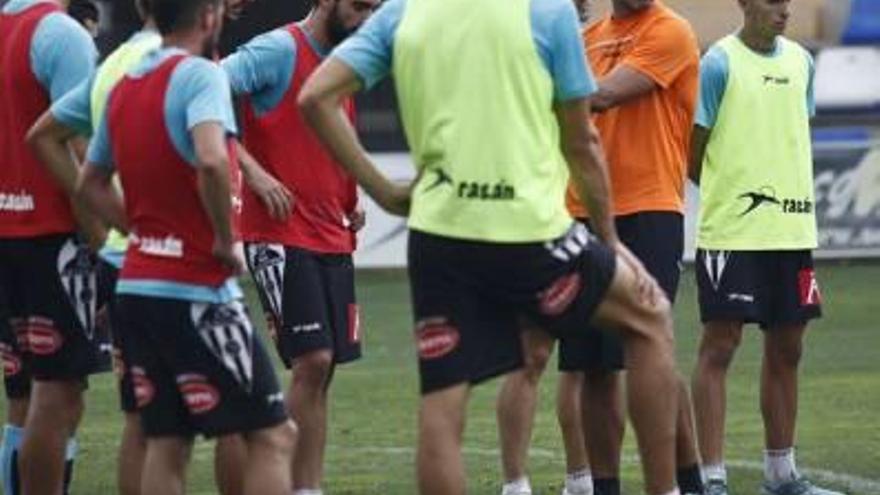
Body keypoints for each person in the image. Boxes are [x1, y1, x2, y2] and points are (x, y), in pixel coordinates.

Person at [300, 0, 684, 494]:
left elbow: (315, 97)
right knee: (649, 318)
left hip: (440, 236)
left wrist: (384, 190)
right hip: (530, 231)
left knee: (443, 400)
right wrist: (609, 242)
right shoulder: (548, 13)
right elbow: (581, 142)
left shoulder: (402, 13)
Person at [27, 0, 262, 493]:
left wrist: (124, 227)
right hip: (186, 267)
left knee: (150, 423)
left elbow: (46, 136)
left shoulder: (116, 63)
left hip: (130, 263)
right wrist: (195, 233)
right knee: (246, 423)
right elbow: (211, 160)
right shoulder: (187, 67)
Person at [76, 0, 296, 493]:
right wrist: (223, 238)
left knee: (168, 440)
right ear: (208, 17)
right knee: (273, 434)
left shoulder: (126, 83)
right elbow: (214, 161)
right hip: (197, 290)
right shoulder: (201, 75)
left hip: (136, 286)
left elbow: (89, 183)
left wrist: (144, 233)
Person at [496, 1, 704, 495]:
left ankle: (685, 481)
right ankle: (603, 486)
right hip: (582, 211)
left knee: (650, 345)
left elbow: (604, 95)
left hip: (648, 209)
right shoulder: (587, 39)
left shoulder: (671, 30)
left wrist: (525, 88)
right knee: (589, 364)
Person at [221, 2, 377, 494]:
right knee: (312, 361)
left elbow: (333, 131)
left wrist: (348, 195)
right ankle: (273, 477)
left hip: (330, 229)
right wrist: (252, 171)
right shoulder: (274, 50)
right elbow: (201, 92)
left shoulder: (347, 59)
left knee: (323, 370)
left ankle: (306, 487)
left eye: (374, 8)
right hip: (279, 233)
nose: (365, 18)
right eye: (359, 5)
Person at [689, 1, 843, 495]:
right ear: (745, 3)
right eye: (772, 1)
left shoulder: (802, 62)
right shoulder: (718, 62)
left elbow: (793, 135)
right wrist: (730, 195)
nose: (783, 11)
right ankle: (711, 478)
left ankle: (782, 475)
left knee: (788, 348)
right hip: (734, 233)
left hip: (793, 231)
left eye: (787, 2)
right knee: (720, 346)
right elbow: (694, 150)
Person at [0, 0, 99, 493]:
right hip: (54, 237)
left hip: (9, 233)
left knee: (24, 392)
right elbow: (79, 147)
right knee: (58, 392)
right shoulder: (61, 34)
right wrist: (104, 239)